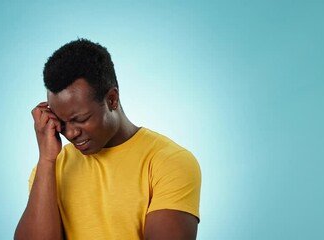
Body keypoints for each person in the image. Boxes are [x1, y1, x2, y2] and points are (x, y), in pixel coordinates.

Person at [14, 39, 201, 240]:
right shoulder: (50, 168)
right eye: (62, 122)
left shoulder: (170, 162)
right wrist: (46, 160)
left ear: (112, 99)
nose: (70, 134)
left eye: (80, 119)